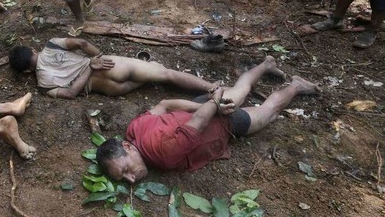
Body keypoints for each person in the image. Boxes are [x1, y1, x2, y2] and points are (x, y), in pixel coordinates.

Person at [95, 57, 320, 182]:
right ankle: (266, 64)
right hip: (202, 104)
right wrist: (208, 102)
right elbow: (165, 104)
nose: (131, 179)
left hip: (224, 123)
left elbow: (199, 123)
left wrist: (216, 107)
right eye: (124, 179)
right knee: (241, 89)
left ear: (127, 148)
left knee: (269, 111)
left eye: (126, 171)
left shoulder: (164, 153)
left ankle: (296, 85)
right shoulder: (133, 130)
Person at [9, 37, 217, 99]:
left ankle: (151, 69)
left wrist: (90, 69)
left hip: (106, 89)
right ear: (33, 50)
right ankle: (212, 88)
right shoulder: (51, 44)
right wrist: (96, 58)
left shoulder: (42, 84)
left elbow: (72, 93)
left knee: (151, 78)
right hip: (109, 67)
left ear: (26, 71)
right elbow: (81, 43)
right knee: (165, 74)